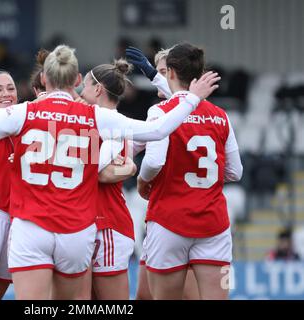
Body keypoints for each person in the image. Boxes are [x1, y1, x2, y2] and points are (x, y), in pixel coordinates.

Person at [0, 44, 220, 299]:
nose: (8, 93)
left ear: (43, 79)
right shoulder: (93, 117)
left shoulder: (23, 114)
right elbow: (157, 131)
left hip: (31, 225)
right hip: (78, 229)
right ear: (78, 79)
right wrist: (190, 98)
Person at [133, 43, 243, 300]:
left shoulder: (160, 111)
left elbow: (153, 163)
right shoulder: (220, 116)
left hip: (168, 221)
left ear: (170, 72)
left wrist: (142, 180)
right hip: (213, 224)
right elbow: (235, 172)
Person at [128, 47, 201, 300]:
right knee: (144, 297)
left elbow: (183, 99)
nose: (159, 78)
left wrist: (140, 177)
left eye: (163, 72)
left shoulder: (178, 110)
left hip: (180, 217)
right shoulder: (167, 111)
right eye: (157, 72)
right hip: (160, 215)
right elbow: (134, 144)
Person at [78, 59, 138, 300]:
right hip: (83, 222)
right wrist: (130, 168)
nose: (81, 92)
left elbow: (96, 172)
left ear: (98, 89)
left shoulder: (110, 123)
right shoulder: (89, 119)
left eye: (84, 85)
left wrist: (129, 169)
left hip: (107, 225)